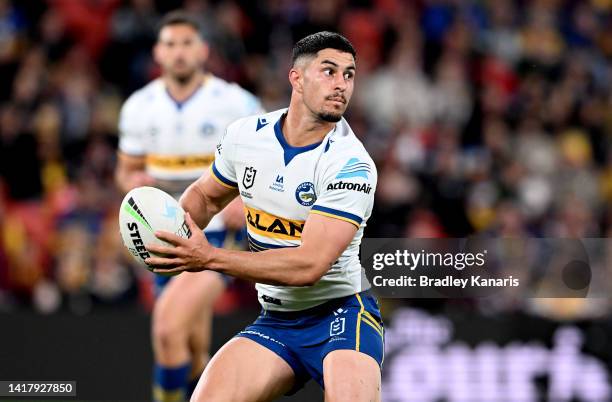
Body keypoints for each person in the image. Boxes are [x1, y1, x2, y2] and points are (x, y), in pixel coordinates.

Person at [146, 31, 384, 402]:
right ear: (296, 77)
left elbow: (309, 266)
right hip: (278, 320)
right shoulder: (245, 137)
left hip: (341, 315)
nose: (341, 85)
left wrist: (208, 257)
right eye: (329, 71)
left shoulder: (350, 164)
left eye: (349, 75)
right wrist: (168, 234)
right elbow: (205, 198)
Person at [114, 11, 262, 402]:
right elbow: (125, 170)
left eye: (187, 43)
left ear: (204, 51)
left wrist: (246, 202)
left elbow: (268, 166)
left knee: (166, 328)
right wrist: (133, 183)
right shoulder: (138, 108)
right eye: (171, 44)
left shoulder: (236, 102)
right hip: (162, 236)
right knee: (191, 348)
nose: (179, 52)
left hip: (219, 238)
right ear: (157, 53)